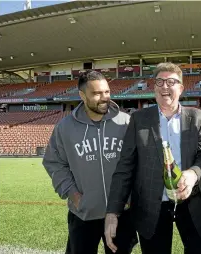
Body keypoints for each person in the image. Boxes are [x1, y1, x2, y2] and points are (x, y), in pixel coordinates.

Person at [105, 62, 201, 254]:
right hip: (151, 207)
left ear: (180, 88)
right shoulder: (139, 119)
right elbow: (125, 167)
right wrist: (112, 212)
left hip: (192, 203)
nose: (165, 86)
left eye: (171, 82)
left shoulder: (197, 117)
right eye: (159, 82)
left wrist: (193, 174)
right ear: (154, 87)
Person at [42, 70, 138, 254]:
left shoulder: (126, 123)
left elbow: (138, 163)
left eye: (107, 92)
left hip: (121, 212)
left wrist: (130, 197)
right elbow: (54, 163)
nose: (104, 98)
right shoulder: (65, 128)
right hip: (83, 213)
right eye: (96, 93)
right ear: (82, 95)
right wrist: (74, 196)